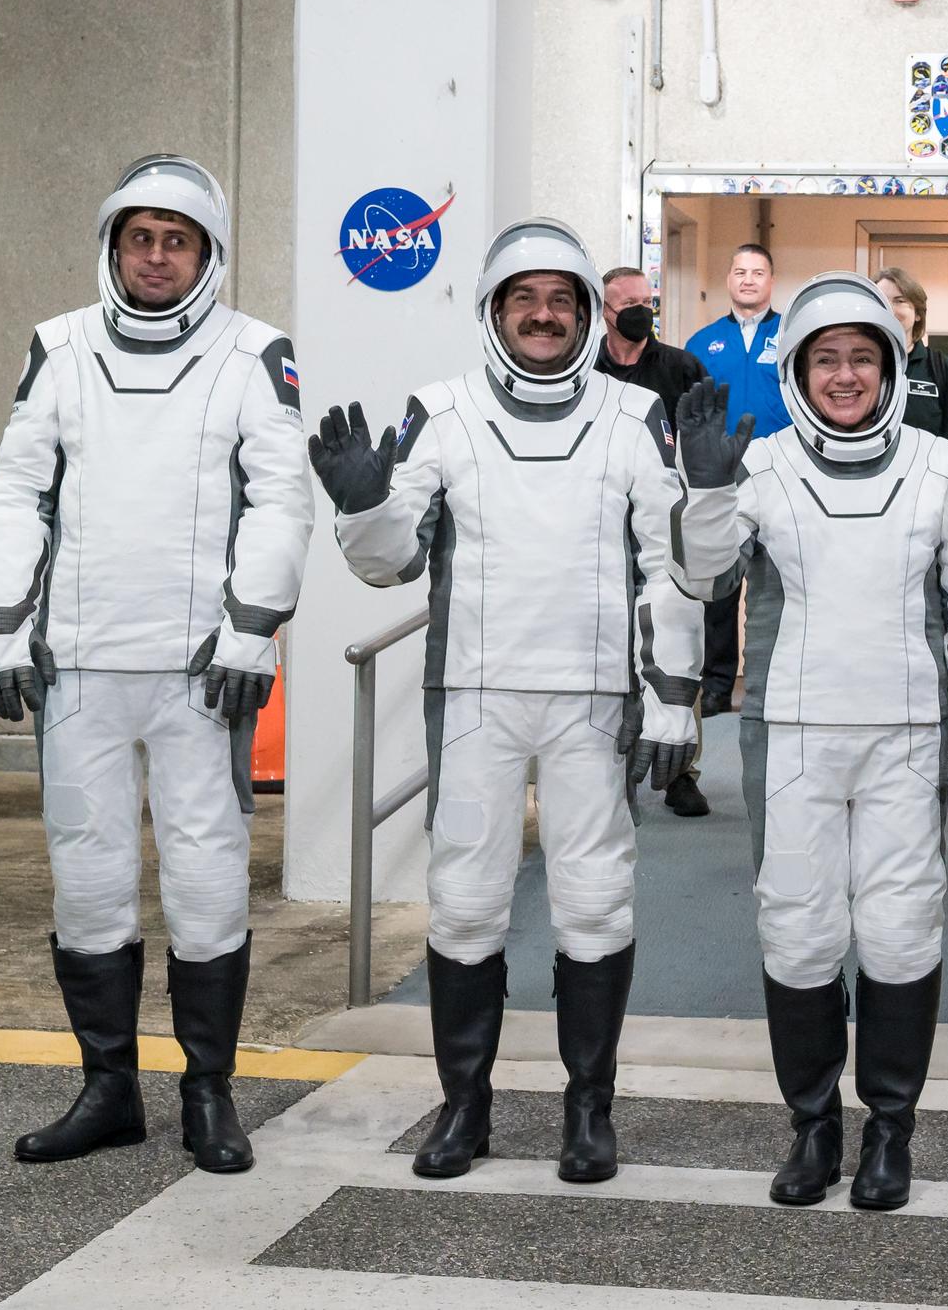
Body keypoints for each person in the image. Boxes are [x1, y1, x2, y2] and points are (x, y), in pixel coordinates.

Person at [311, 218, 699, 1186]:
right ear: (494, 311)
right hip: (477, 692)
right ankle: (464, 1105)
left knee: (595, 900)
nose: (541, 314)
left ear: (584, 313)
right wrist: (363, 505)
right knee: (468, 900)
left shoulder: (629, 417)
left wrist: (675, 699)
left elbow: (669, 569)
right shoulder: (439, 413)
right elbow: (395, 559)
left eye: (559, 299)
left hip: (592, 697)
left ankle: (588, 1109)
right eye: (522, 299)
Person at [0, 154, 314, 1174]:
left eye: (177, 240)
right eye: (140, 237)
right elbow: (15, 489)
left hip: (201, 671)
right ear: (113, 245)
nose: (155, 256)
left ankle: (209, 1091)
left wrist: (253, 630)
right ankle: (108, 1088)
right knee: (88, 878)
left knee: (208, 883)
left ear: (207, 252)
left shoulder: (255, 353)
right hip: (78, 668)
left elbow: (282, 499)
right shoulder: (60, 348)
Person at [672, 272, 948, 1213]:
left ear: (892, 367)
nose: (844, 375)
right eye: (825, 358)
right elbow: (700, 580)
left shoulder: (942, 467)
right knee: (798, 928)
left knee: (903, 932)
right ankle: (814, 1128)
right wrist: (705, 491)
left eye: (863, 357)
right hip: (791, 733)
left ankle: (891, 1134)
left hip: (908, 734)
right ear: (796, 368)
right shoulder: (760, 466)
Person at [599, 266, 712, 818]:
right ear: (604, 310)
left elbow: (702, 439)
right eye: (629, 303)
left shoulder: (682, 366)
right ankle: (609, 762)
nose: (641, 311)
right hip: (600, 528)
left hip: (668, 524)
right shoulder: (584, 369)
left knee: (674, 640)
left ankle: (681, 770)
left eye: (649, 301)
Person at [687, 244, 785, 716]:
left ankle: (771, 683)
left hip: (782, 474)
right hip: (724, 476)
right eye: (740, 271)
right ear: (728, 279)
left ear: (771, 280)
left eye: (758, 272)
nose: (748, 280)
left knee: (779, 580)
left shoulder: (791, 337)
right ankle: (718, 686)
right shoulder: (702, 343)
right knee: (720, 585)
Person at [874, 266, 948, 441]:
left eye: (899, 301)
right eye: (882, 301)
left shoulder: (946, 371)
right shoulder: (856, 368)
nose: (889, 309)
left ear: (917, 314)